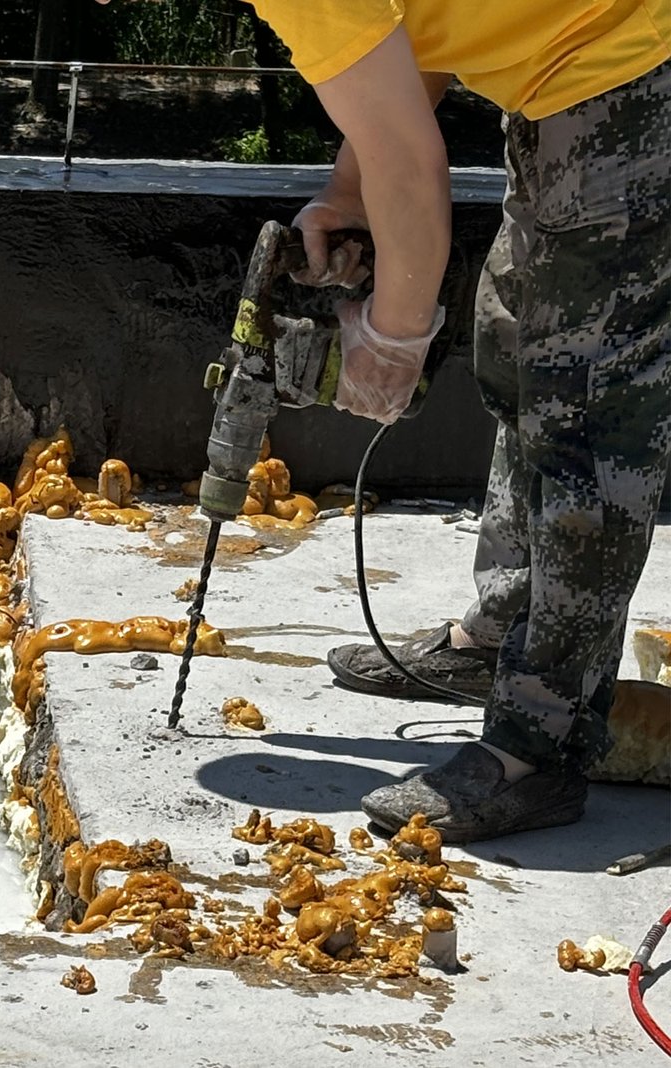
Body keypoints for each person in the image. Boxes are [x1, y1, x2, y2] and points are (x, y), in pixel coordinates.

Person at [236, 3, 670, 842]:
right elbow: (402, 48)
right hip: (566, 88)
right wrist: (349, 192)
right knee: (515, 355)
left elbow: (409, 163)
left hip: (626, 77)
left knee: (585, 424)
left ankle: (539, 747)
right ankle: (502, 637)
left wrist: (394, 340)